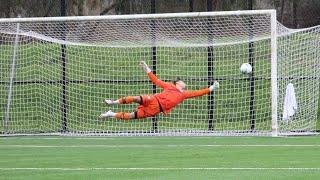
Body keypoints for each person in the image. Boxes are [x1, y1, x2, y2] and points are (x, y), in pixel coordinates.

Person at [99, 61, 219, 120]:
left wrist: (212, 88)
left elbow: (198, 93)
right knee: (136, 98)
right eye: (182, 81)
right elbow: (156, 81)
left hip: (156, 109)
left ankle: (111, 113)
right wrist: (147, 69)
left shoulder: (184, 95)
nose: (184, 82)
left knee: (131, 116)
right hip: (153, 100)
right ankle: (113, 102)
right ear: (177, 83)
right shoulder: (169, 86)